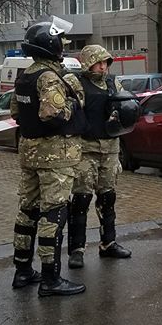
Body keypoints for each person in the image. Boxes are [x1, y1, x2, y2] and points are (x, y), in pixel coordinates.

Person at [9, 18, 85, 297]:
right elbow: (52, 113)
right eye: (61, 43)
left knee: (27, 210)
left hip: (30, 153)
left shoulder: (25, 75)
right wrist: (74, 105)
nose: (63, 47)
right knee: (53, 213)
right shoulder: (50, 77)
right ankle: (51, 278)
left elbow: (15, 113)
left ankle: (23, 270)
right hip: (55, 156)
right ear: (51, 46)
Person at [64, 45, 134, 267]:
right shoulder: (75, 82)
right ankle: (77, 249)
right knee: (81, 199)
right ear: (88, 63)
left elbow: (126, 106)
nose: (103, 67)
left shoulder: (113, 83)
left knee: (107, 197)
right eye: (98, 62)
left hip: (110, 148)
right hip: (85, 149)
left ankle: (108, 243)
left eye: (105, 63)